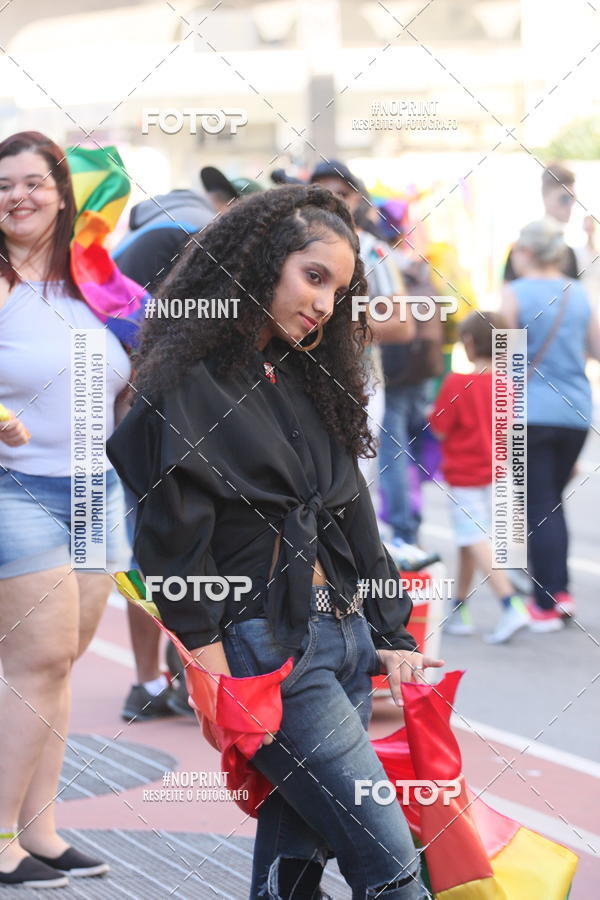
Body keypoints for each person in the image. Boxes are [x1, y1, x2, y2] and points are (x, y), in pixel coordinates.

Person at [107, 185, 443, 899]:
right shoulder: (186, 383)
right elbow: (170, 541)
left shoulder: (310, 378)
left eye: (338, 291)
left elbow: (354, 519)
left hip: (345, 638)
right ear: (261, 264)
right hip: (271, 648)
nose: (323, 304)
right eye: (312, 276)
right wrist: (212, 668)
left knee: (294, 870)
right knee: (394, 866)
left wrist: (392, 634)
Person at [0, 132, 130, 886]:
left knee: (58, 665)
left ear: (62, 194)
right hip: (17, 491)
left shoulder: (95, 283)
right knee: (37, 659)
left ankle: (39, 832)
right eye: (2, 186)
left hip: (95, 491)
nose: (17, 196)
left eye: (33, 182)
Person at [113, 181, 215, 721]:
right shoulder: (190, 237)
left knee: (148, 549)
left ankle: (150, 679)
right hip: (177, 410)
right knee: (187, 545)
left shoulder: (133, 249)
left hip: (150, 408)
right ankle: (184, 676)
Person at [308, 161, 435, 571]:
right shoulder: (295, 244)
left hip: (359, 384)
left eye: (341, 193)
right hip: (300, 382)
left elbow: (402, 323)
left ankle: (352, 570)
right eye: (321, 192)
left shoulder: (374, 250)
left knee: (353, 479)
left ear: (358, 200)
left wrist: (334, 330)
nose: (332, 201)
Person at [501, 219, 600, 630]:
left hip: (530, 414)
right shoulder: (578, 293)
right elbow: (597, 348)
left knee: (540, 505)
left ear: (525, 252)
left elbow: (505, 357)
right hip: (575, 413)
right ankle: (558, 591)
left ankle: (549, 599)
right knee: (550, 502)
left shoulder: (514, 292)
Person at [429, 312, 530, 644]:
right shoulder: (507, 386)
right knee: (468, 539)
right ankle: (459, 607)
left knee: (473, 538)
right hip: (497, 474)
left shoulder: (456, 384)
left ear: (469, 343)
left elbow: (440, 429)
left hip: (465, 476)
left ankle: (509, 603)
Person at [503, 163, 579, 282]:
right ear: (545, 197)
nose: (570, 205)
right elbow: (508, 289)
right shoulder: (522, 247)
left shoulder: (569, 253)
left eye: (573, 199)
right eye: (564, 198)